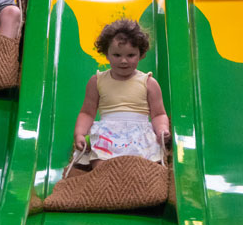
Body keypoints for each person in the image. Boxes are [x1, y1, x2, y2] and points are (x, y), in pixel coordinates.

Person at [73, 19, 170, 167]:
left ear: (141, 54)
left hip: (140, 136)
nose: (123, 61)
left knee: (149, 166)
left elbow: (158, 114)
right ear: (106, 54)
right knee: (101, 165)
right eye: (117, 55)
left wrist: (162, 129)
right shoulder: (97, 81)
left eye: (131, 55)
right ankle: (106, 184)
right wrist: (80, 133)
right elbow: (87, 112)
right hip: (108, 135)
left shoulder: (149, 83)